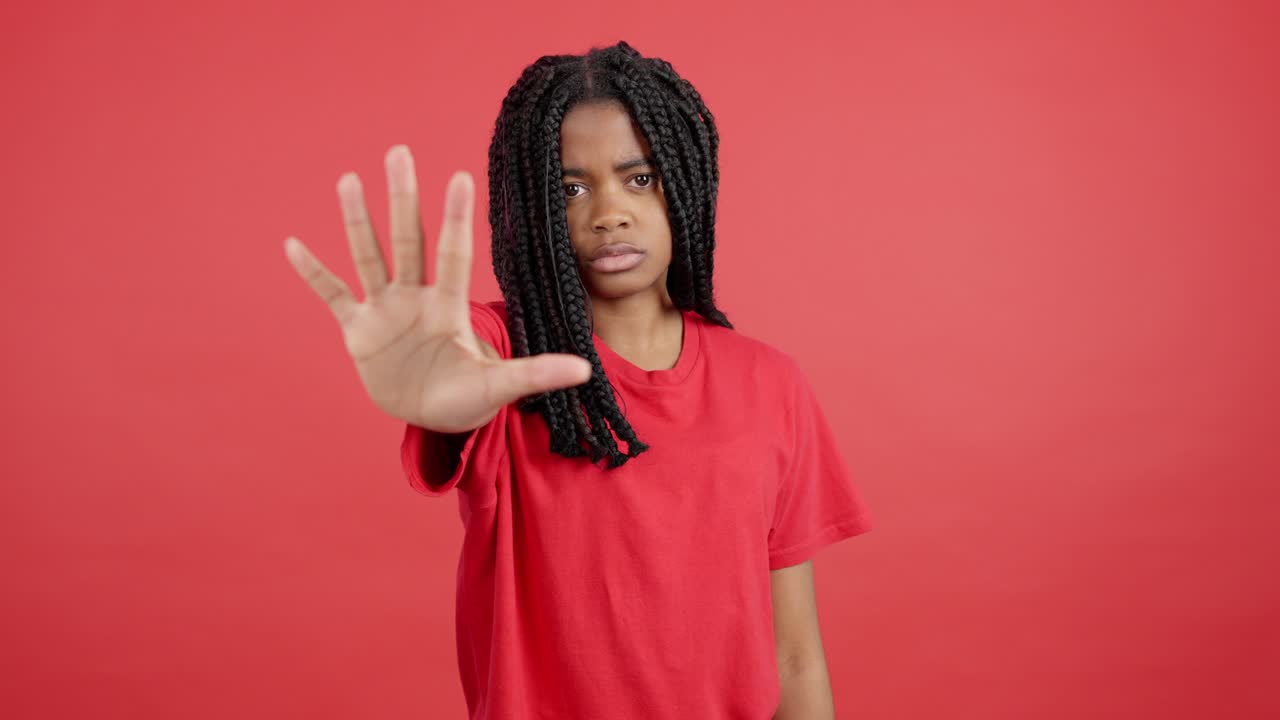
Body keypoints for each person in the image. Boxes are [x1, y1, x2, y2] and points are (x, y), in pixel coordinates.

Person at [284, 41, 874, 720]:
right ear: (533, 210)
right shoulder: (510, 359)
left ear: (688, 183)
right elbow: (462, 356)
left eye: (640, 178)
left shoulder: (771, 385)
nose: (607, 212)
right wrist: (435, 370)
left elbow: (794, 655)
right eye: (570, 187)